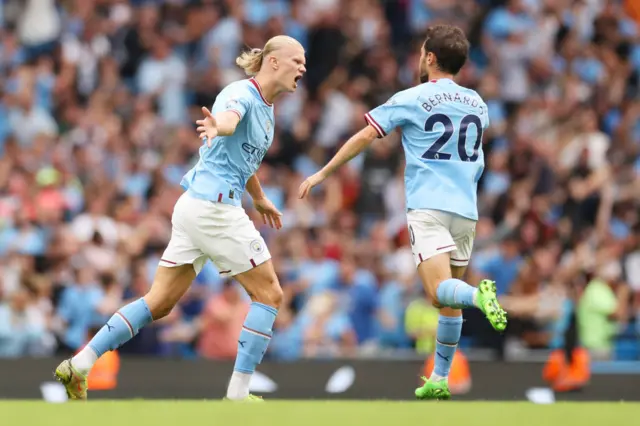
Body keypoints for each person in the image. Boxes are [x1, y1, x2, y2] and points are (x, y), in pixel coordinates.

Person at [54, 35, 307, 402]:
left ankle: (79, 364)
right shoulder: (241, 93)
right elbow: (229, 121)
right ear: (273, 62)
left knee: (159, 303)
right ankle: (238, 394)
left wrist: (260, 197)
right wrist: (217, 125)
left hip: (195, 208)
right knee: (270, 293)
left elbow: (242, 159)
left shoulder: (268, 109)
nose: (302, 67)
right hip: (215, 211)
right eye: (297, 60)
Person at [298, 25, 507, 400]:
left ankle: (479, 297)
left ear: (429, 57)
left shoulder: (411, 97)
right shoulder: (478, 103)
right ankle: (440, 378)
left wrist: (323, 172)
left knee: (438, 292)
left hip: (428, 206)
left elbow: (366, 135)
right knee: (449, 301)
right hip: (466, 210)